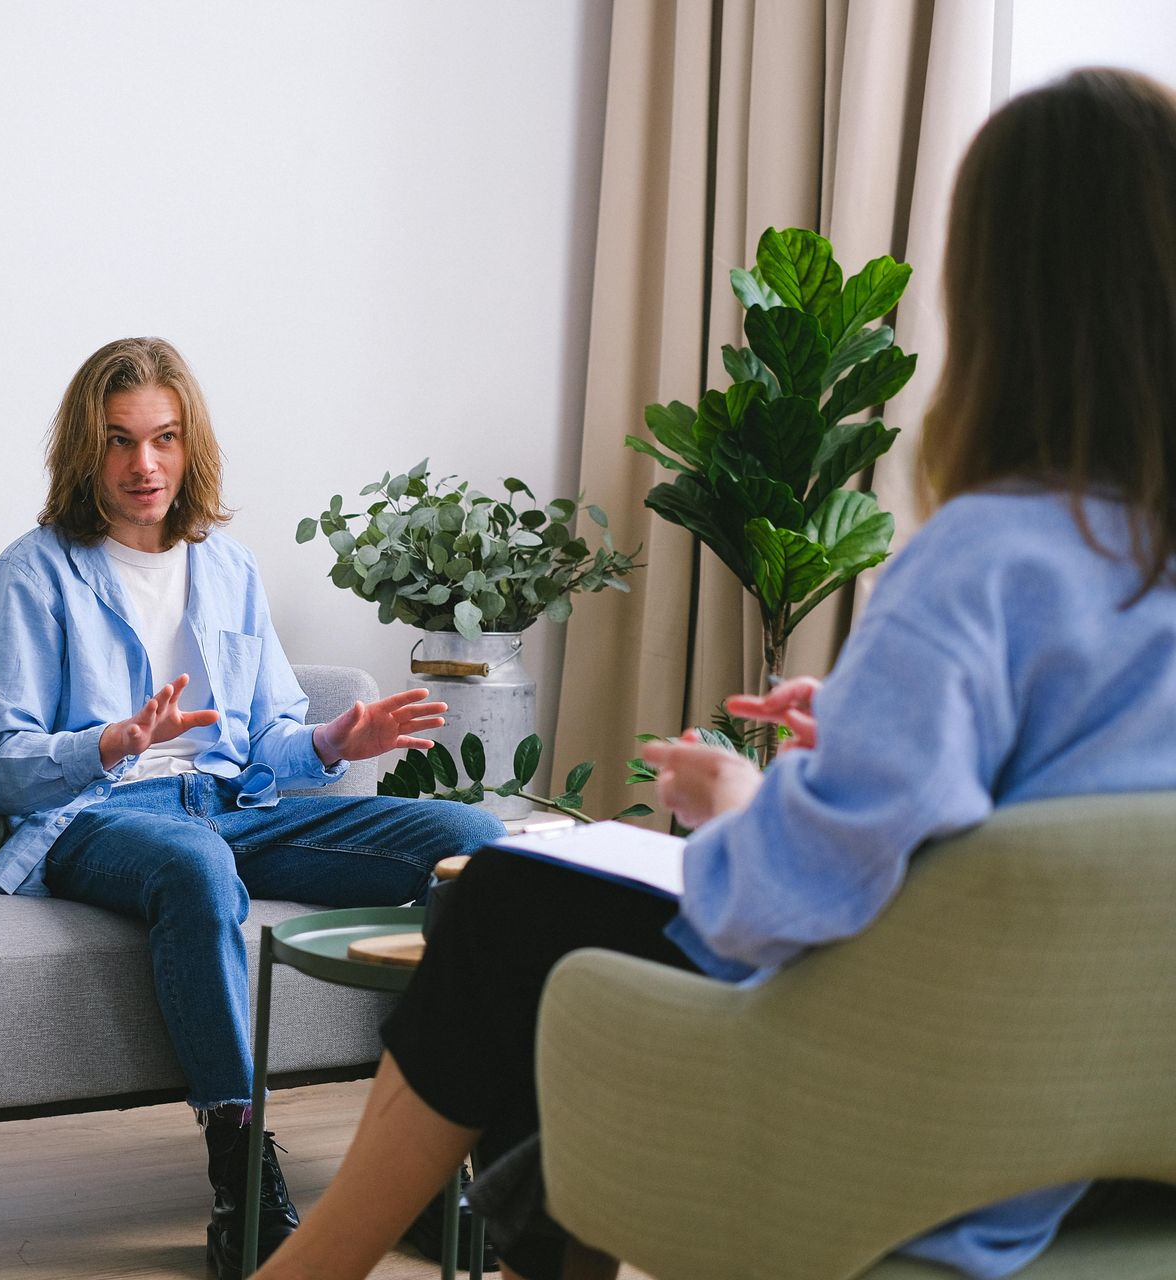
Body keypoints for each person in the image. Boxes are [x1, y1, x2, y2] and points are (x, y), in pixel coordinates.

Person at [253, 65, 1176, 1280]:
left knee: (507, 903)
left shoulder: (983, 560)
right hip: (1103, 1125)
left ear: (999, 296)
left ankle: (317, 1265)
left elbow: (788, 898)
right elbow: (1065, 823)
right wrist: (863, 730)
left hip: (911, 1131)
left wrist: (745, 807)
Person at [0, 336, 505, 1279]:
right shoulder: (33, 573)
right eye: (121, 441)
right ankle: (242, 1182)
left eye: (165, 439)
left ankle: (425, 1168)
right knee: (196, 864)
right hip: (103, 819)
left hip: (228, 806)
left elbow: (270, 745)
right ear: (84, 452)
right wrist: (110, 742)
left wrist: (341, 742)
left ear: (189, 444)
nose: (145, 465)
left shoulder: (228, 568)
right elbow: (1, 768)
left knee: (472, 841)